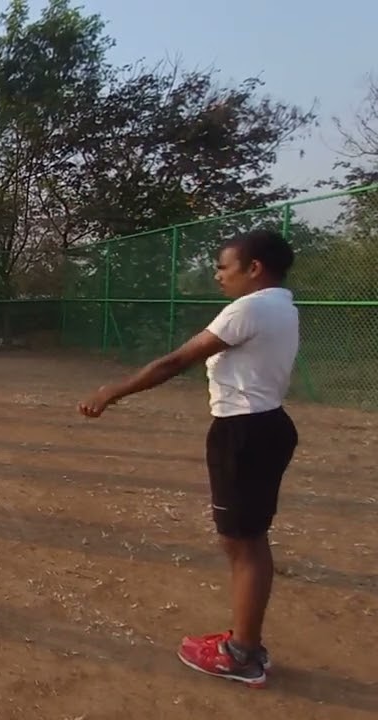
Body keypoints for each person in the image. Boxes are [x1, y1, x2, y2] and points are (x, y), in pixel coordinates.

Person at [78, 230, 298, 688]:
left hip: (245, 433)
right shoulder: (281, 305)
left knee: (243, 543)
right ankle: (245, 642)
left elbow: (176, 361)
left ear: (254, 268)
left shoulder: (250, 308)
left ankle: (243, 654)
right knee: (247, 540)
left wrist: (111, 391)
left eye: (224, 267)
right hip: (265, 426)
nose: (218, 275)